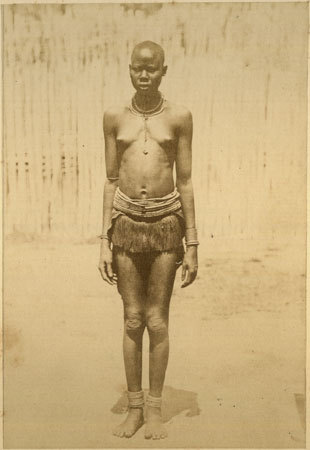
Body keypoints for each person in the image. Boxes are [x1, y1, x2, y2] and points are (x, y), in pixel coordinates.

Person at [98, 40, 199, 440]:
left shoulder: (179, 117)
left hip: (165, 226)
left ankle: (155, 410)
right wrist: (102, 241)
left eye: (151, 69)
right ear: (129, 70)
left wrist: (192, 245)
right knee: (131, 318)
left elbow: (186, 181)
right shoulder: (112, 117)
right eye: (137, 69)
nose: (144, 75)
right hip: (124, 225)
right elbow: (109, 181)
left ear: (163, 71)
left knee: (157, 320)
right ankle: (135, 408)